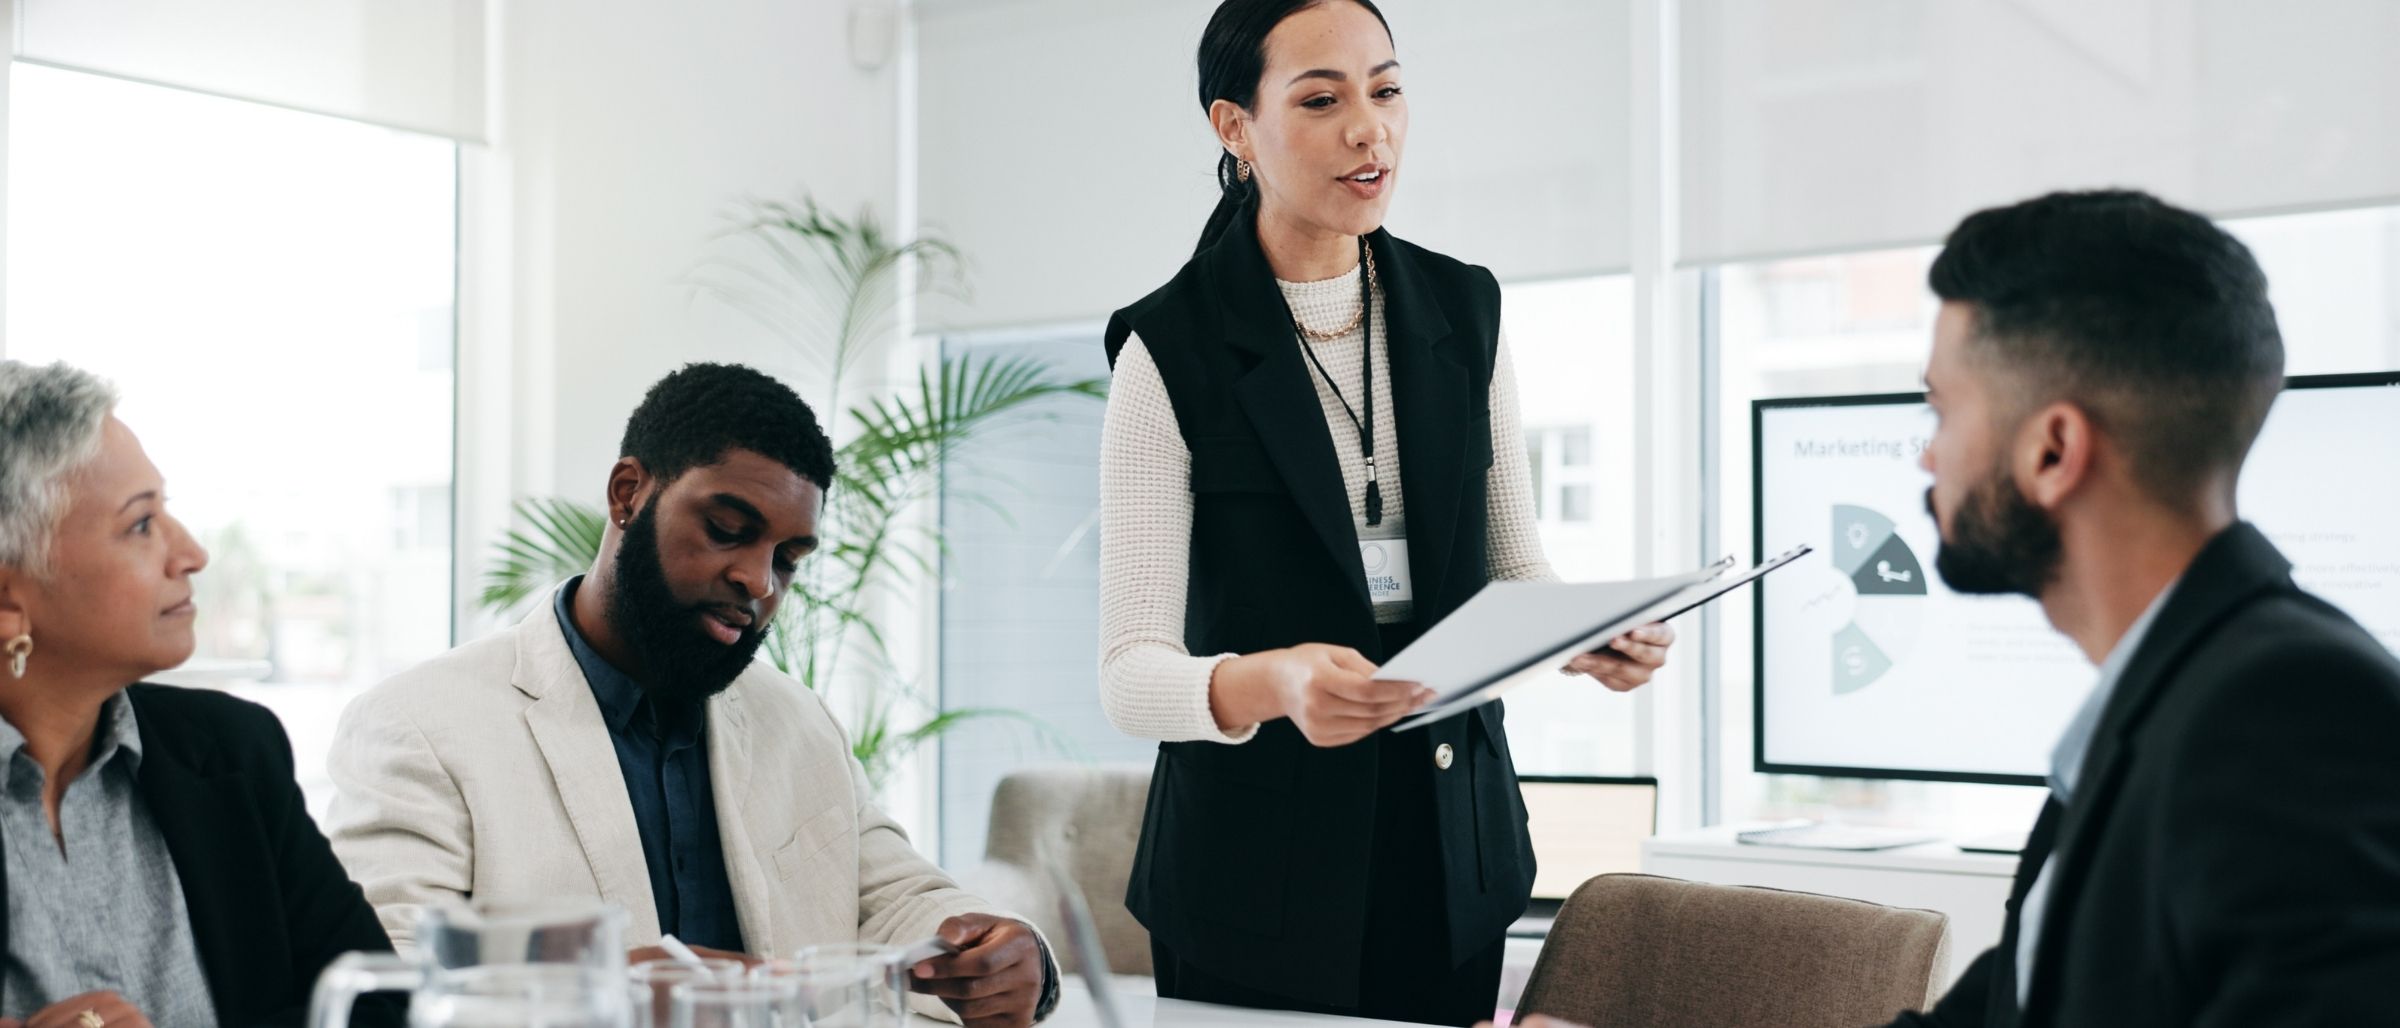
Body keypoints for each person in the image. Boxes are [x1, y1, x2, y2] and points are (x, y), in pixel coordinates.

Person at [1512, 191, 2400, 1028]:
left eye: (1940, 409)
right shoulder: (2164, 699)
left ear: (2054, 449)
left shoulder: (2290, 709)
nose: (1927, 456)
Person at [1095, 1, 1674, 1023]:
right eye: (1322, 98)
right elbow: (1132, 675)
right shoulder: (1166, 350)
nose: (1371, 128)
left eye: (1387, 87)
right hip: (1251, 884)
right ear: (1235, 126)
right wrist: (1274, 680)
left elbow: (1512, 562)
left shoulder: (1464, 308)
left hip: (1450, 853)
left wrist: (1582, 632)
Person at [324, 363, 1057, 1028]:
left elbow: (895, 898)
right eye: (728, 530)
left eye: (789, 561)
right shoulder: (420, 725)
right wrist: (606, 993)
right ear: (628, 494)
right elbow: (391, 979)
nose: (759, 582)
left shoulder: (798, 722)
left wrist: (998, 949)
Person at [0, 360, 401, 1028]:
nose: (190, 554)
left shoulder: (235, 751)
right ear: (9, 598)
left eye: (166, 511)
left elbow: (379, 1004)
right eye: (140, 525)